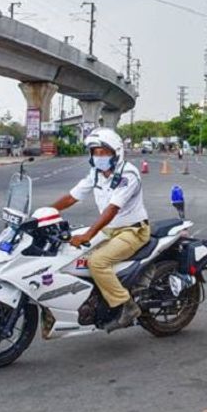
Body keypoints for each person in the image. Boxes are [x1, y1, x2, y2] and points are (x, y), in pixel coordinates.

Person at [50, 127, 150, 331]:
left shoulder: (128, 174)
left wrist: (88, 234)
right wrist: (44, 213)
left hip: (131, 231)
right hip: (109, 231)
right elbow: (72, 197)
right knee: (67, 254)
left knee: (97, 262)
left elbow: (112, 209)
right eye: (95, 152)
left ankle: (127, 306)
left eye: (104, 152)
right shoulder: (96, 174)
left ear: (116, 153)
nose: (99, 157)